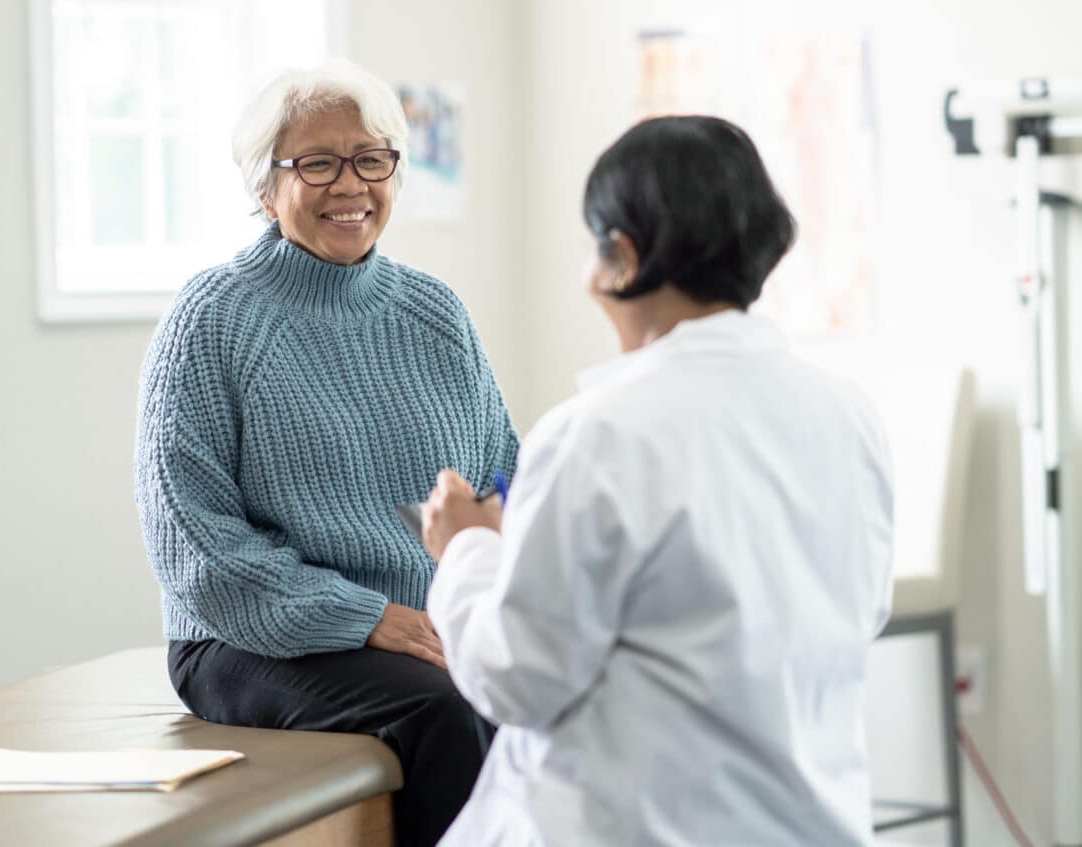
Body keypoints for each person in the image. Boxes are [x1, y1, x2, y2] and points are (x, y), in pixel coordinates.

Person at [421, 115, 894, 845]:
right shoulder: (849, 412)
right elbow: (862, 611)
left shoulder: (596, 433)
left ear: (622, 256)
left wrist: (468, 551)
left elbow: (515, 678)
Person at [134, 61, 519, 847]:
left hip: (422, 625)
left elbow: (501, 479)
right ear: (264, 188)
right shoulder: (212, 319)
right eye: (318, 163)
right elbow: (198, 552)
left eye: (371, 158)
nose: (352, 184)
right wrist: (368, 616)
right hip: (243, 634)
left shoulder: (435, 314)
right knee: (442, 710)